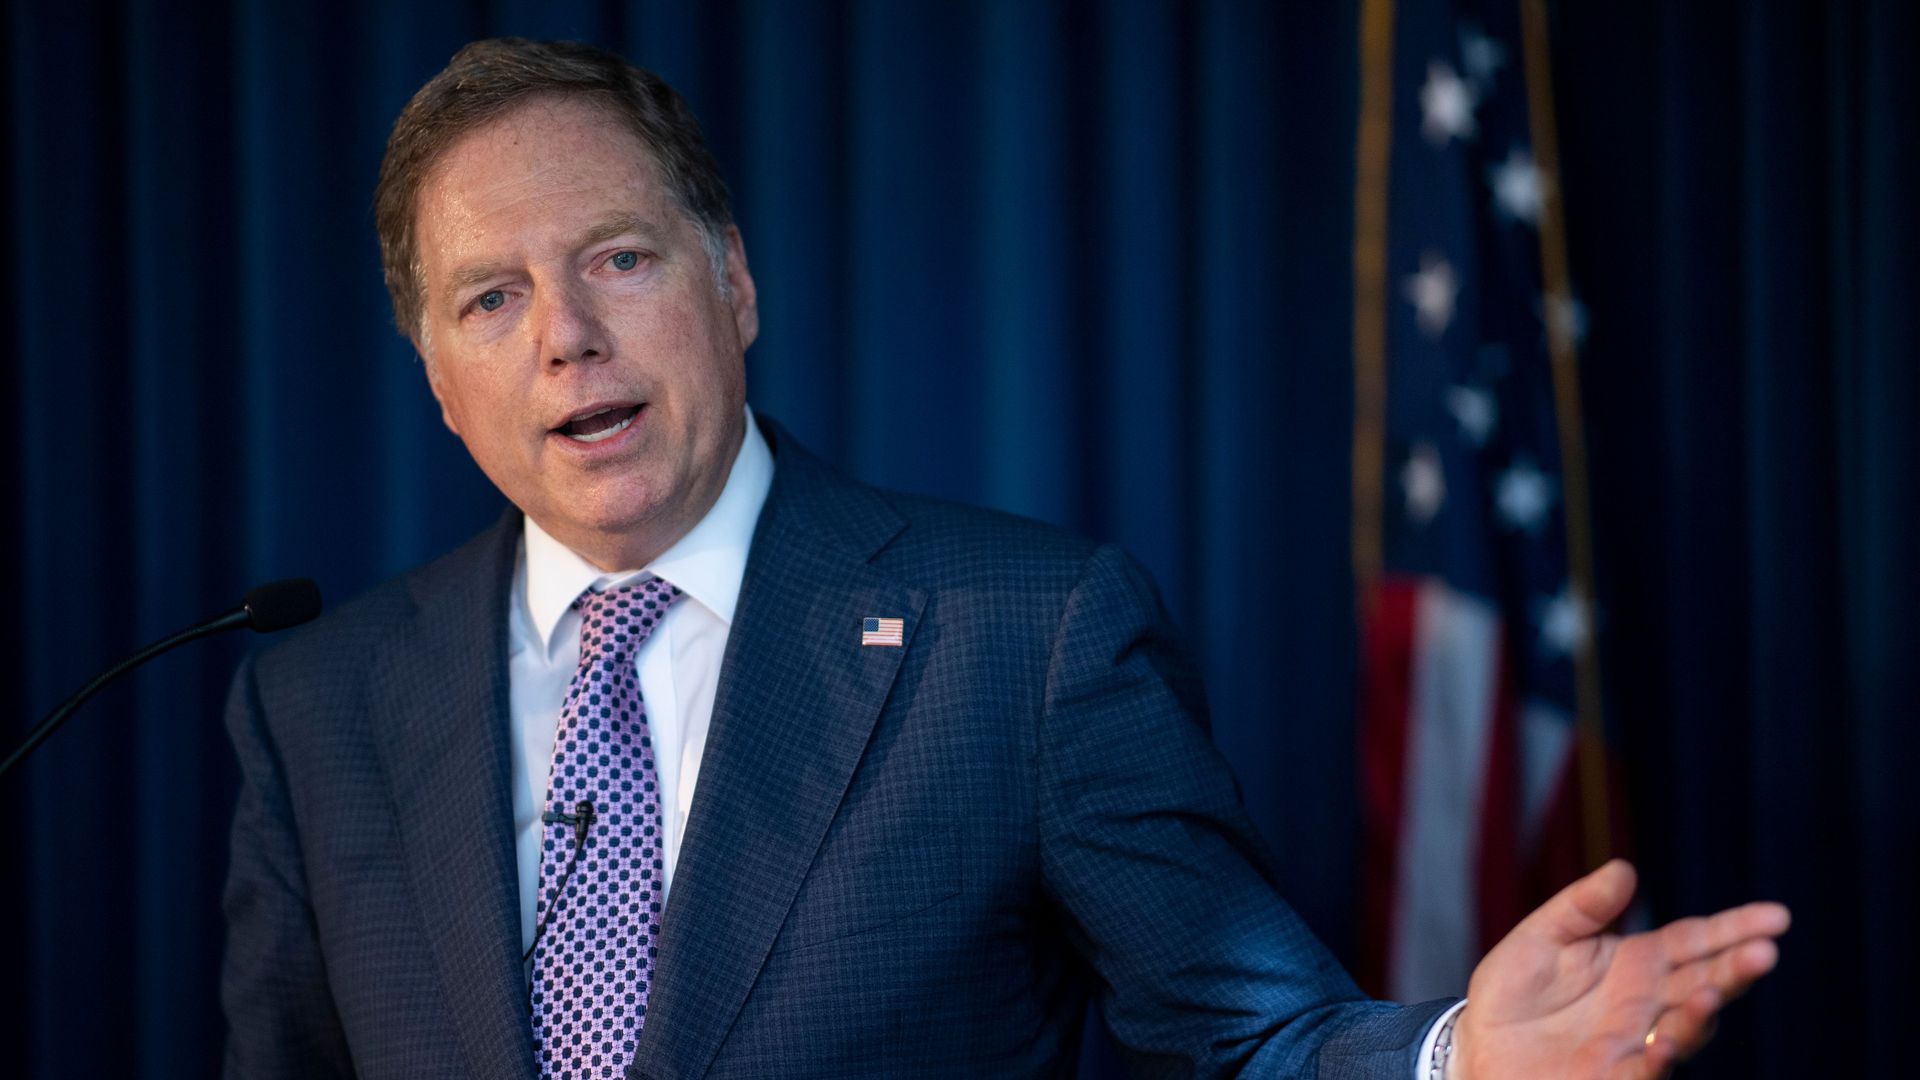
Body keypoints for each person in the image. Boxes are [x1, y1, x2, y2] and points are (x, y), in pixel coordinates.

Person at [221, 38, 1787, 1080]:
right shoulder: (320, 704)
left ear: (735, 283)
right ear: (436, 377)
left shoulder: (1022, 635)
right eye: (491, 299)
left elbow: (1249, 1032)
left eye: (618, 259)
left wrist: (1450, 1061)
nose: (566, 337)